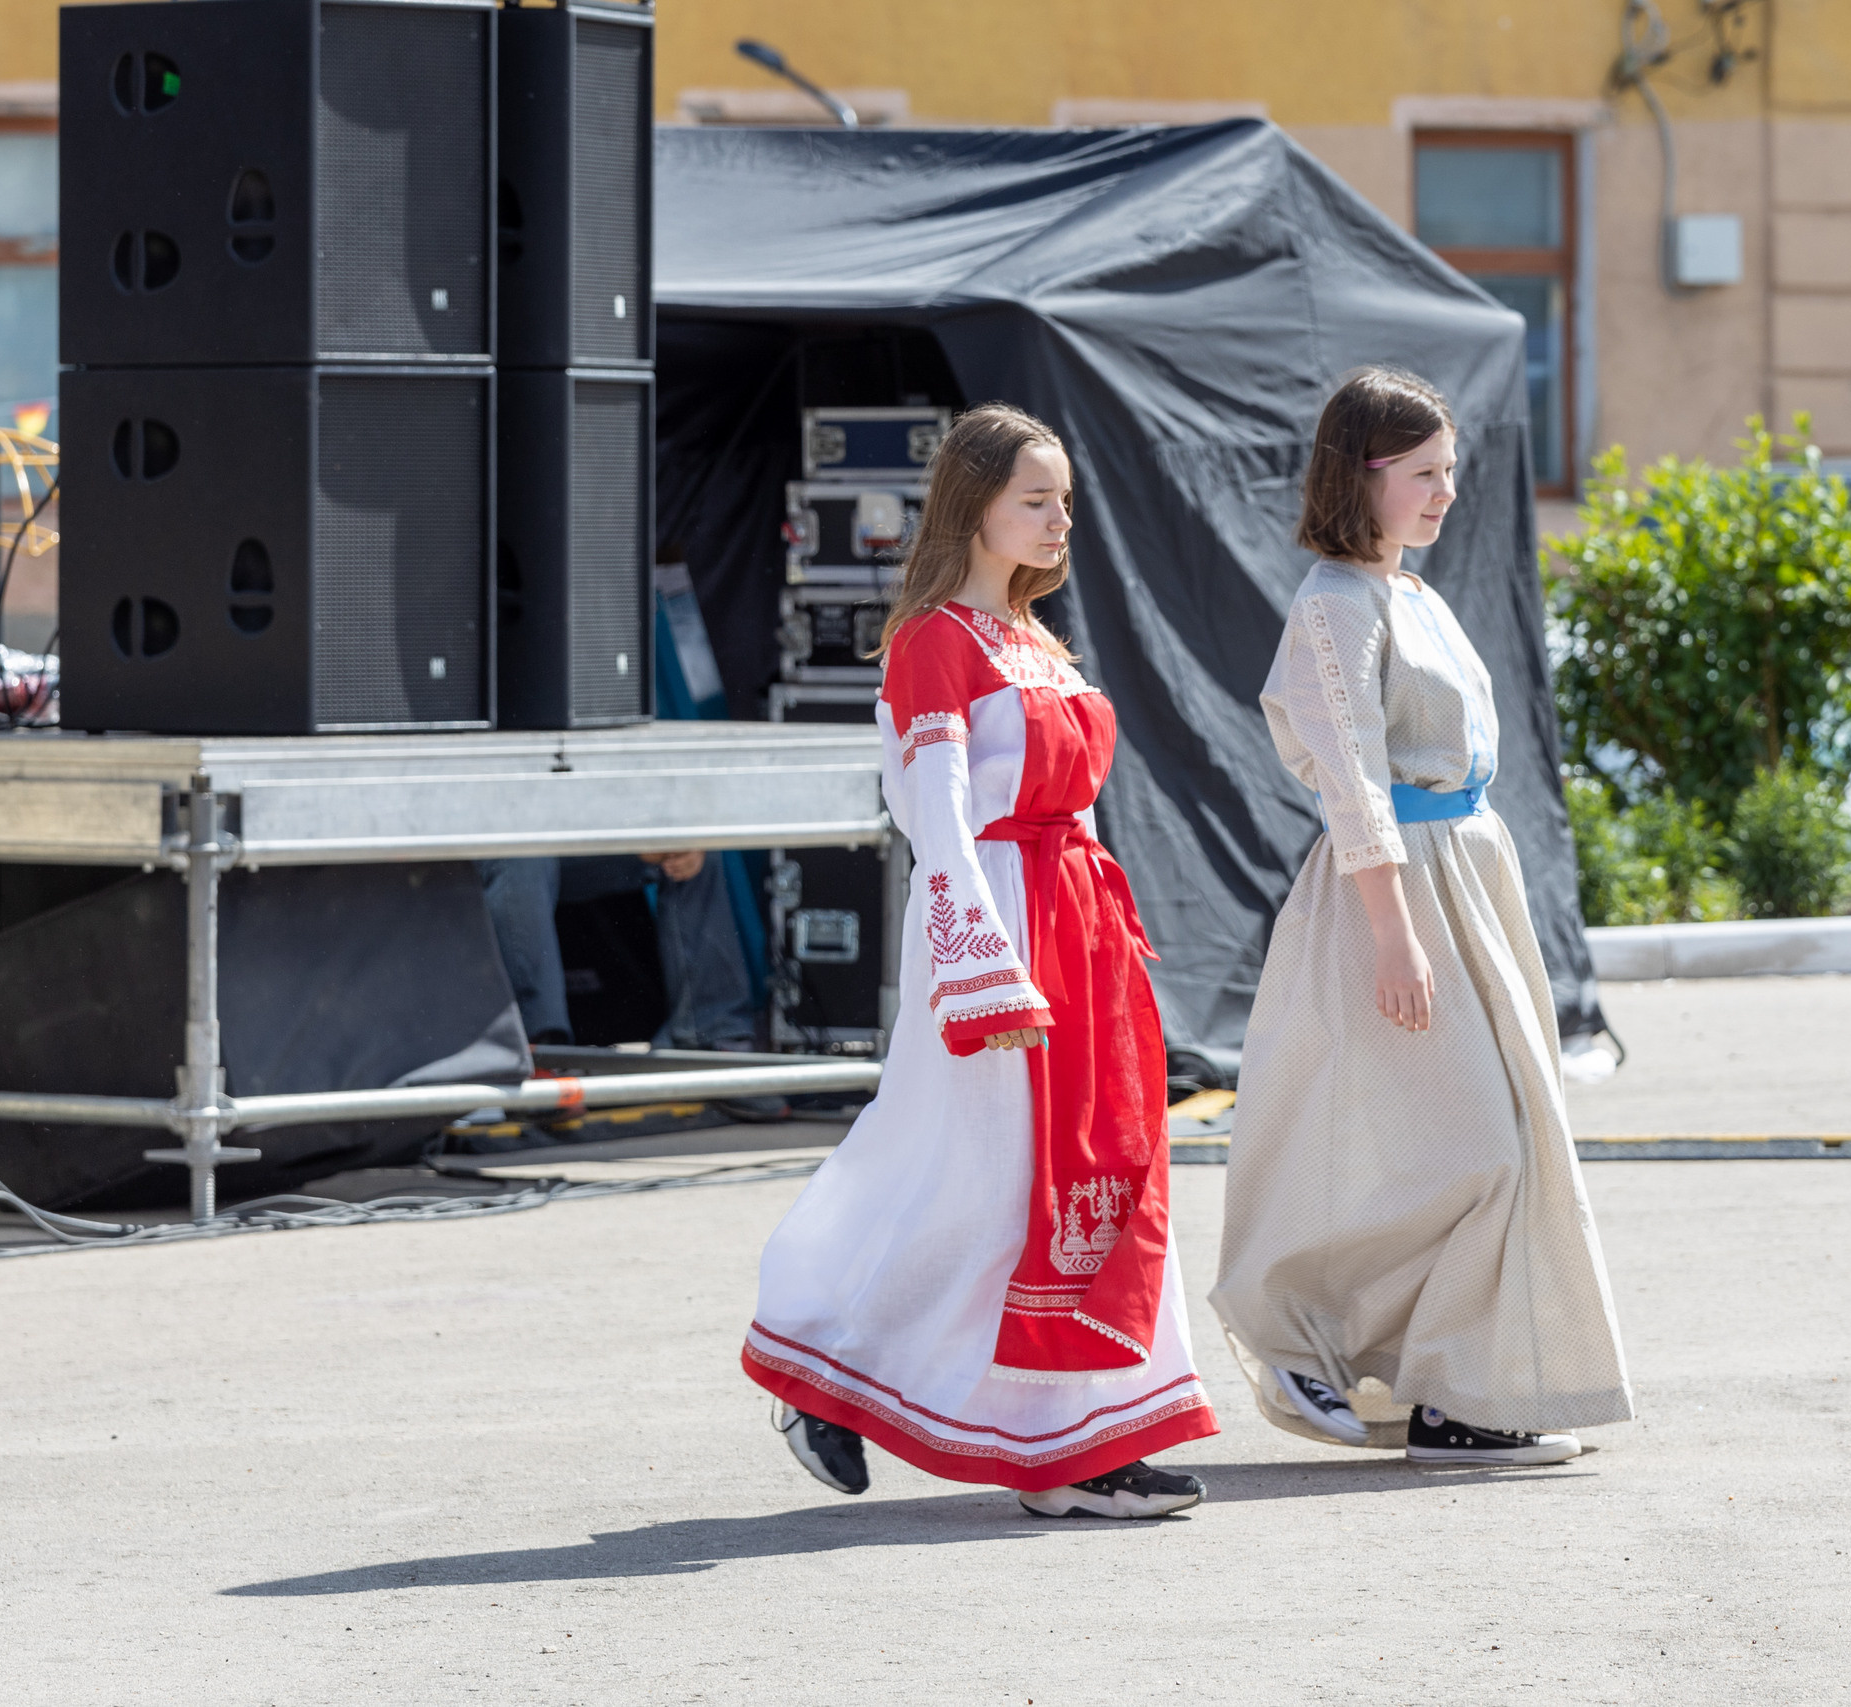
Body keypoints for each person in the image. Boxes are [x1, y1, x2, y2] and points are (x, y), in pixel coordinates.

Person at [740, 404, 1216, 1520]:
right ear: (975, 505)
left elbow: (1076, 810)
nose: (1059, 520)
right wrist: (981, 964)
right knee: (968, 1171)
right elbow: (939, 814)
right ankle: (823, 1360)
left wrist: (1104, 947)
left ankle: (1082, 1437)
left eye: (1065, 501)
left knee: (1090, 1177)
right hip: (999, 920)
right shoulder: (936, 640)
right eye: (1034, 499)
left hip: (1075, 922)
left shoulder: (1036, 640)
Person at [1211, 367, 1634, 1467]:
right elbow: (1352, 781)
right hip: (1393, 894)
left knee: (1505, 1141)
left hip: (1463, 881)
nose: (1448, 492)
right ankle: (1313, 1335)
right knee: (1477, 1149)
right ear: (1361, 475)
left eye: (1451, 469)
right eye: (1425, 473)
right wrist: (1395, 932)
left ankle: (1458, 1396)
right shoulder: (1333, 606)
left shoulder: (1411, 595)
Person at [479, 848, 762, 1056]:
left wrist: (641, 831)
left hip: (572, 842)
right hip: (488, 850)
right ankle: (539, 1050)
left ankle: (708, 1036)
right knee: (520, 857)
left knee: (689, 847)